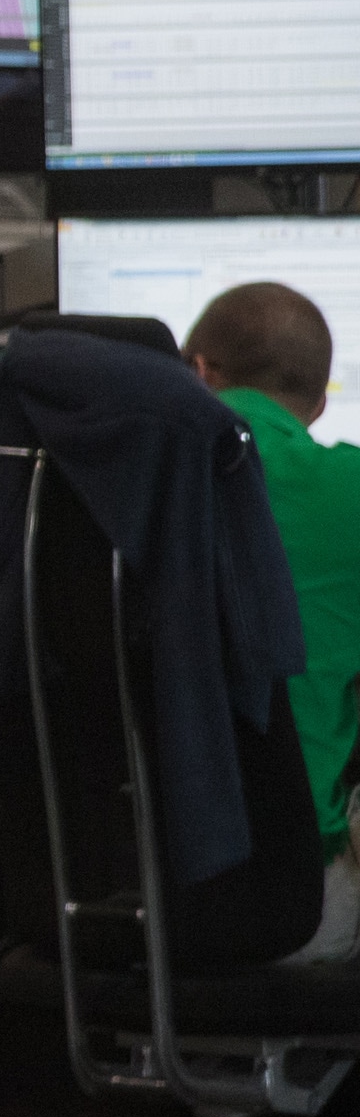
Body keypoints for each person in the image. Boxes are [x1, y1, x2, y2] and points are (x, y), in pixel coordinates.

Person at [185, 282, 360, 921]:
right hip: (291, 900)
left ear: (199, 371)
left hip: (116, 887)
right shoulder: (350, 489)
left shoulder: (116, 484)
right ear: (318, 406)